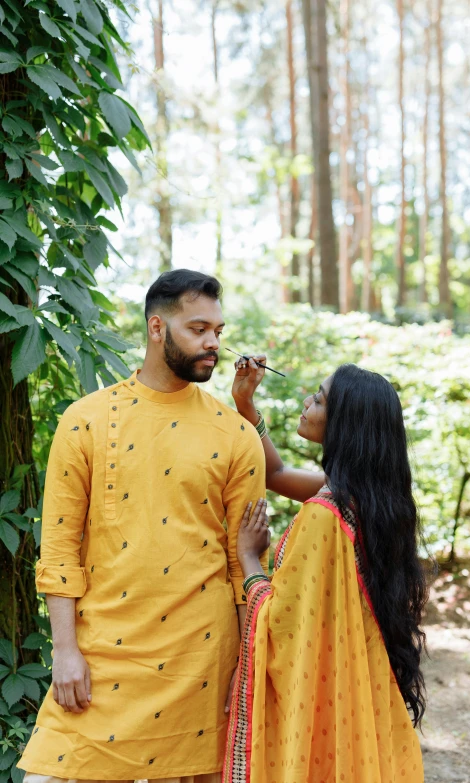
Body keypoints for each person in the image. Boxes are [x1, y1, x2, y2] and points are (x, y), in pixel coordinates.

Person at [19, 270, 267, 783]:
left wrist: (242, 667)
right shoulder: (85, 419)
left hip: (199, 660)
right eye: (198, 329)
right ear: (157, 327)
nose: (213, 343)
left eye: (218, 331)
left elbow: (241, 563)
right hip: (102, 656)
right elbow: (59, 547)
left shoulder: (236, 435)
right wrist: (64, 651)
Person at [223, 357, 428, 783]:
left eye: (318, 399)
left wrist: (248, 557)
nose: (306, 402)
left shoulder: (325, 513)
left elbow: (282, 624)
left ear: (344, 425)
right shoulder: (370, 502)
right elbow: (275, 473)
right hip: (356, 687)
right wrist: (246, 403)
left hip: (324, 692)